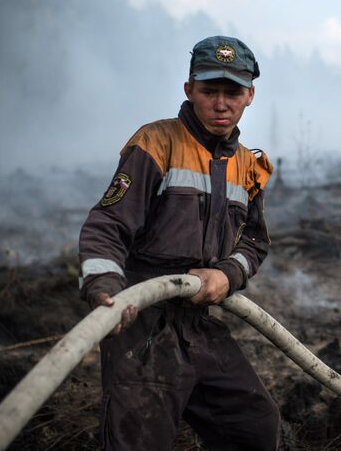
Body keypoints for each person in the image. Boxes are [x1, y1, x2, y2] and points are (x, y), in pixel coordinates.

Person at [78, 36, 280, 450]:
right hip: (143, 321)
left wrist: (227, 274)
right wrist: (105, 290)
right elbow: (107, 223)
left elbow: (255, 242)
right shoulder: (155, 144)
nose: (220, 103)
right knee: (139, 439)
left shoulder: (248, 165)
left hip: (199, 319)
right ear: (189, 90)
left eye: (233, 92)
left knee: (255, 427)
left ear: (250, 96)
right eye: (209, 91)